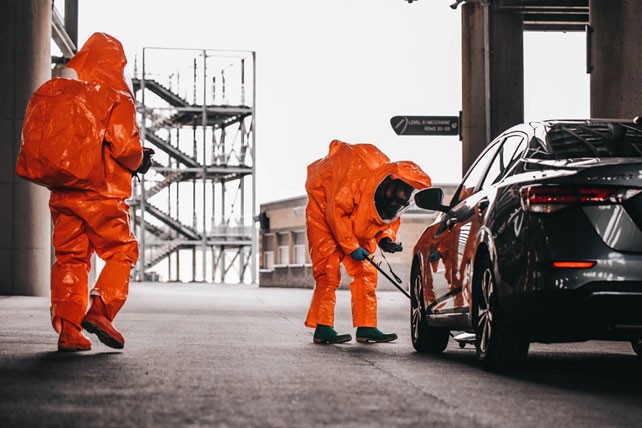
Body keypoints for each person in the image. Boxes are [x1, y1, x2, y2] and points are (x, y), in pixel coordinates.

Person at [16, 33, 153, 352]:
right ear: (115, 63)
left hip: (63, 195)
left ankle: (69, 331)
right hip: (102, 196)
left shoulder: (67, 95)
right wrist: (141, 158)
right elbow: (124, 148)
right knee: (122, 251)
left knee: (69, 259)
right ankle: (102, 310)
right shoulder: (116, 97)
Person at [304, 140, 432, 344]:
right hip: (323, 217)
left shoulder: (387, 196)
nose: (402, 199)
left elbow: (381, 221)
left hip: (349, 225)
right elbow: (335, 213)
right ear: (391, 184)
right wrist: (351, 246)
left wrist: (385, 239)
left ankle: (366, 327)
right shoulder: (354, 177)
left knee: (366, 272)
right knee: (328, 272)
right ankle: (323, 327)